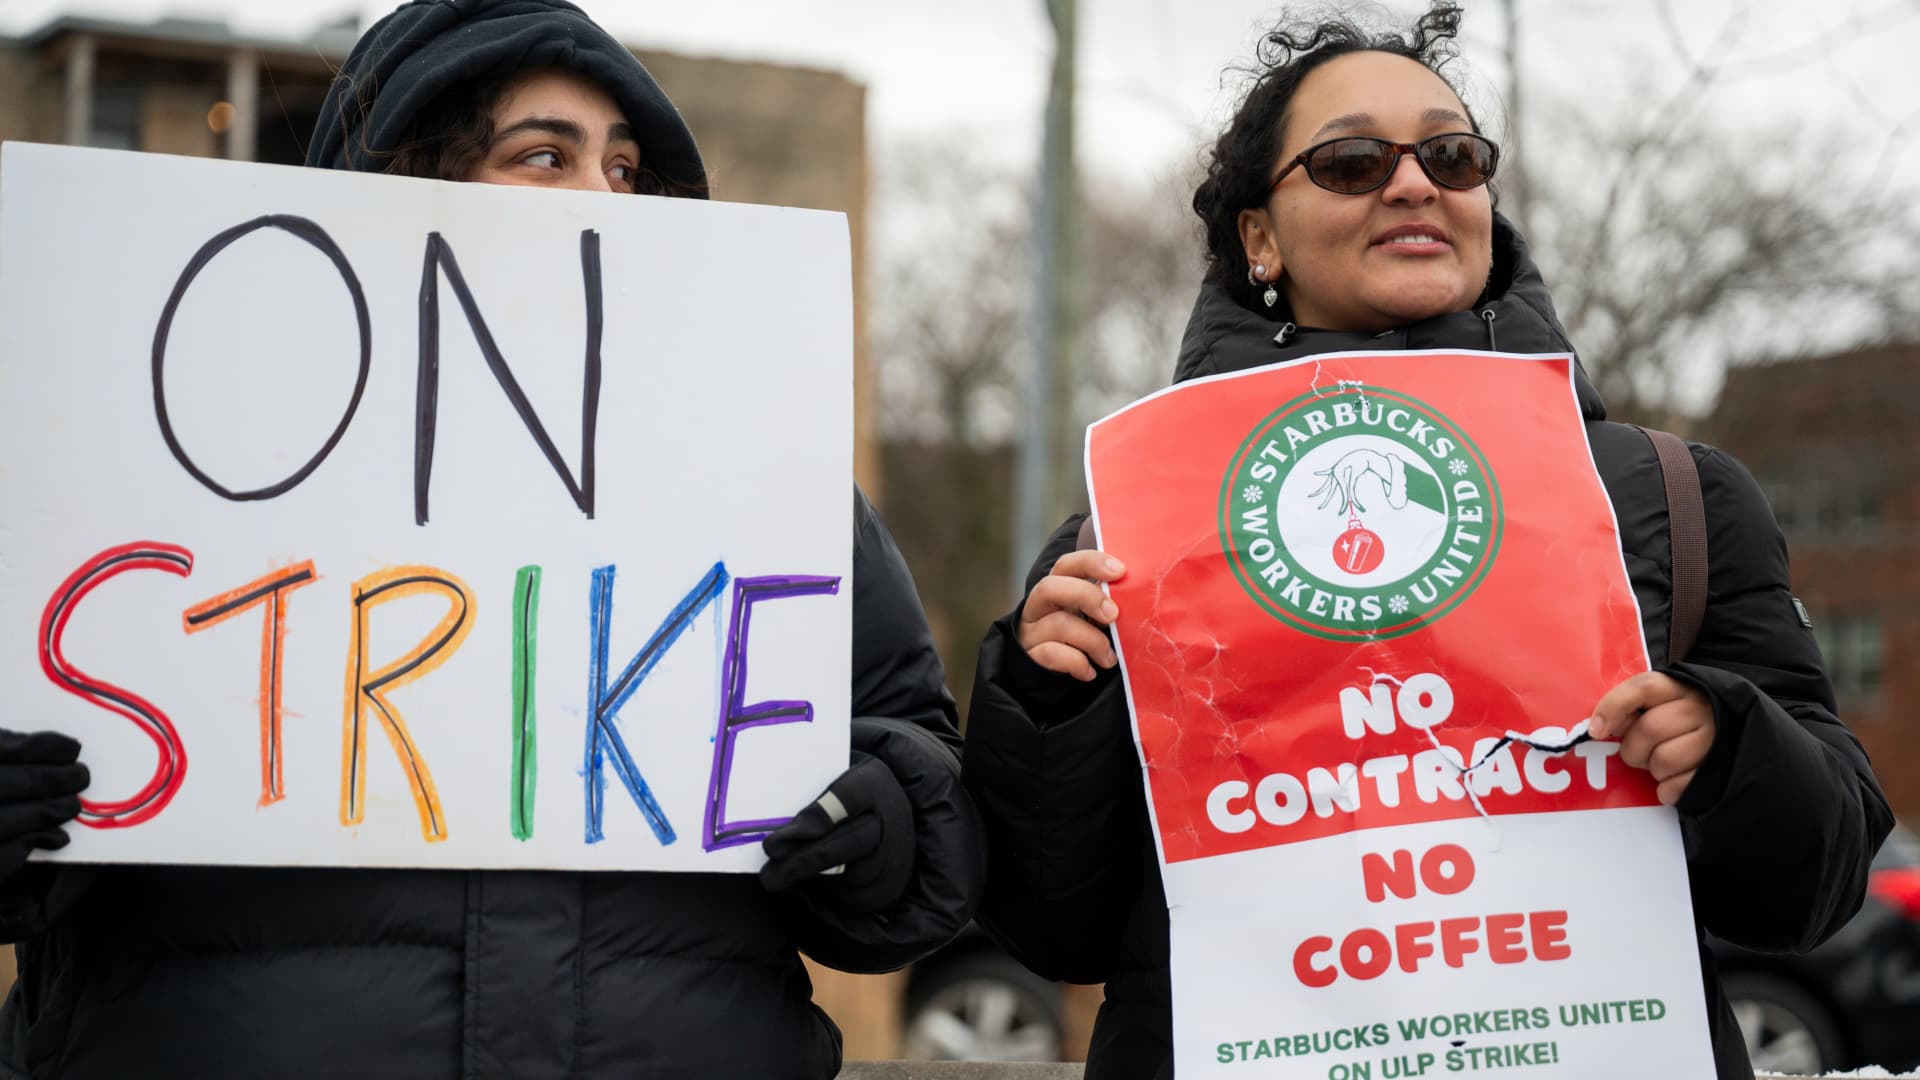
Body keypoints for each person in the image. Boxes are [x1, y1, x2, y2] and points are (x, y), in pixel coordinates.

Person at [0, 2, 983, 1076]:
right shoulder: (176, 443)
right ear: (409, 182)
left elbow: (916, 760)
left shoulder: (752, 473)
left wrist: (881, 817)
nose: (600, 197)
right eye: (544, 156)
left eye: (623, 168)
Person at [960, 6, 1893, 1079]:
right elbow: (1050, 928)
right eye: (1353, 160)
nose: (1414, 184)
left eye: (1451, 155)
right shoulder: (1130, 531)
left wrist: (1730, 748)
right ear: (1258, 237)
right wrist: (1047, 704)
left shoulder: (1674, 495)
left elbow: (1816, 888)